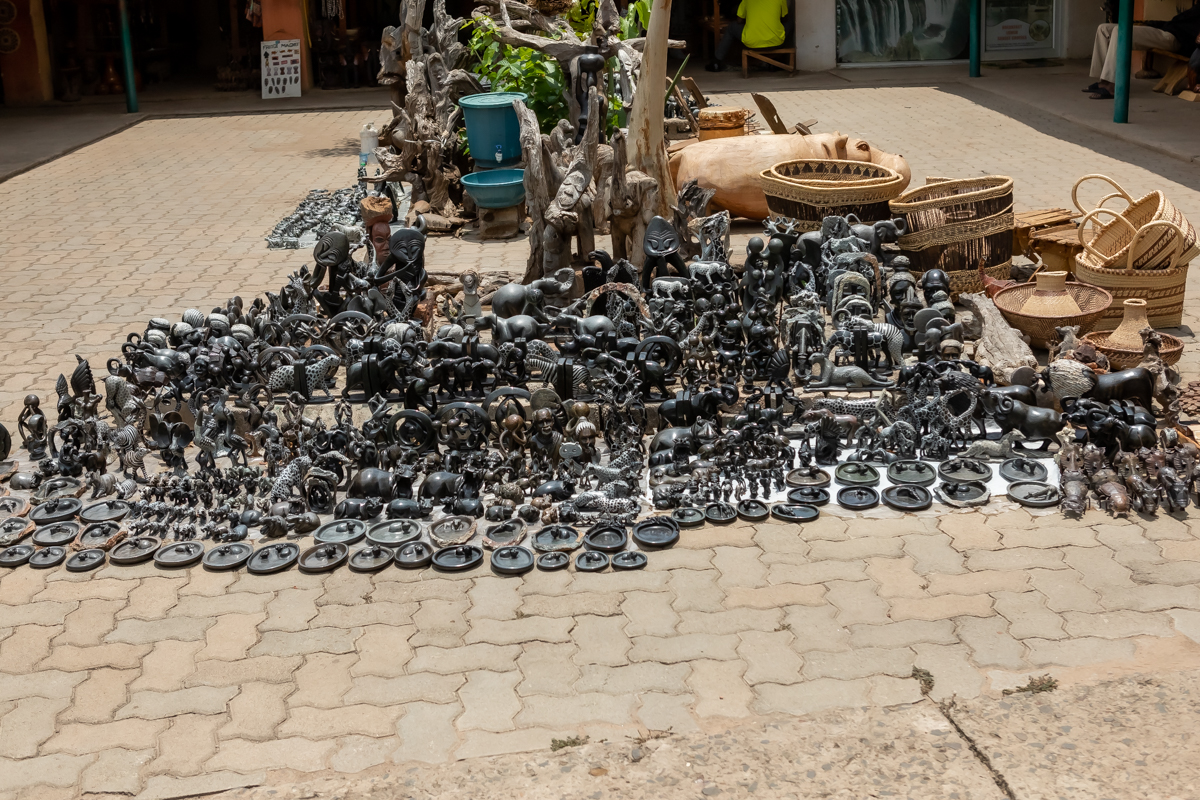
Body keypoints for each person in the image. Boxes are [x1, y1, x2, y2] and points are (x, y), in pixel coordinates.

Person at [1086, 3, 1200, 98]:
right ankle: (1103, 81)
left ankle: (1111, 86)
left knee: (1120, 31)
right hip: (1164, 30)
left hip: (1174, 38)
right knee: (1103, 29)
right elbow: (1173, 23)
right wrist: (1151, 24)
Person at [707, 0, 789, 72]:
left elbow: (739, 20)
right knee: (791, 22)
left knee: (732, 27)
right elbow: (784, 18)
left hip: (752, 42)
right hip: (775, 42)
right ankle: (776, 60)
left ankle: (716, 61)